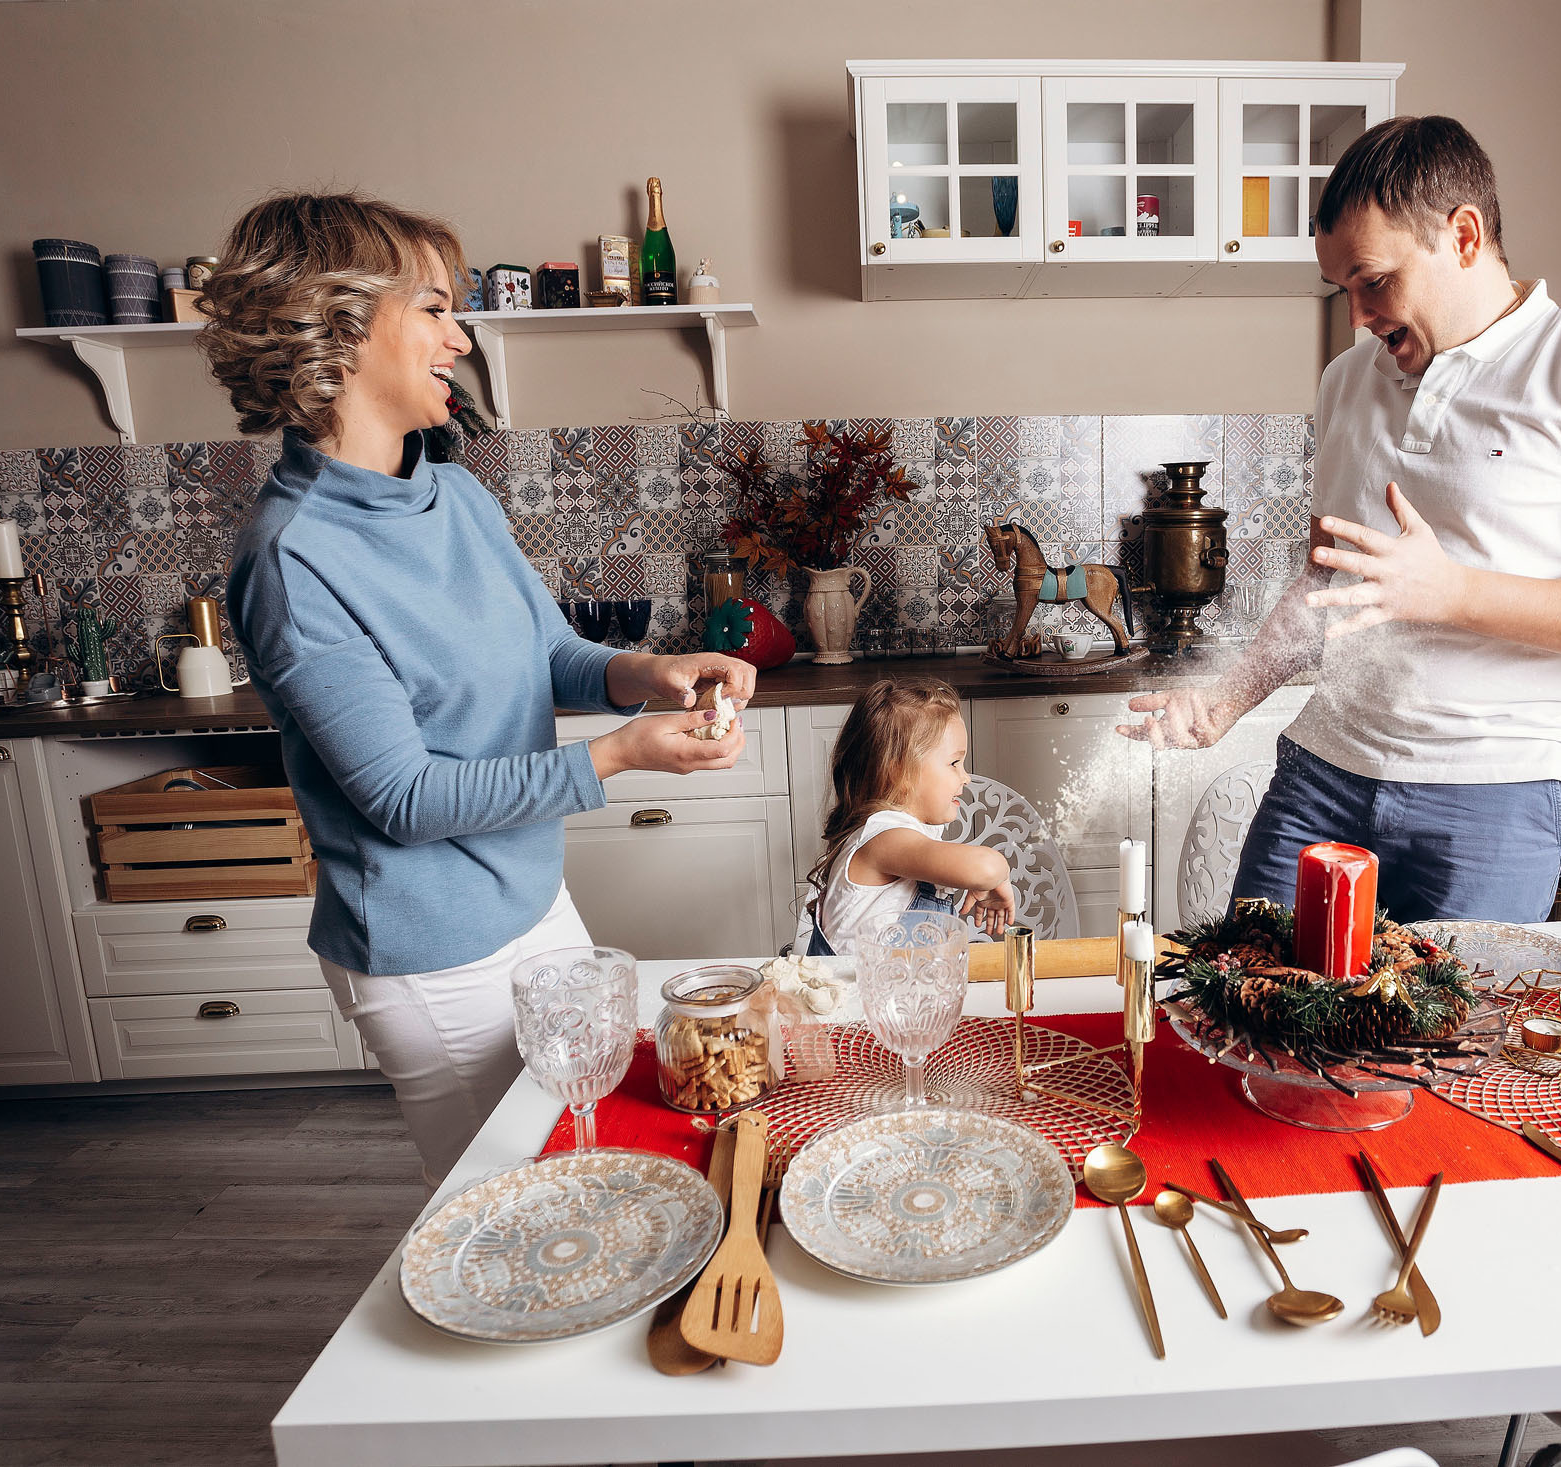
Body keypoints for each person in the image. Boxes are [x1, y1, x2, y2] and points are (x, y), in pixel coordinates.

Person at [202, 192, 758, 1185]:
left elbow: (549, 652)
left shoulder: (454, 493)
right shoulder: (294, 558)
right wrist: (620, 754)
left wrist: (650, 673)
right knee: (514, 1202)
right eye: (433, 309)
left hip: (535, 906)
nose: (460, 339)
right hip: (433, 957)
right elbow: (404, 799)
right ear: (337, 327)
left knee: (594, 1166)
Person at [1121, 116, 1561, 924]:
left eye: (1373, 280)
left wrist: (1452, 592)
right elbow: (1328, 582)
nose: (1358, 315)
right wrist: (1226, 701)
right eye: (1343, 288)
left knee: (1450, 1015)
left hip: (1497, 792)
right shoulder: (1346, 380)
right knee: (1246, 994)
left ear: (1463, 236)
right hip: (1323, 772)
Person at [807, 678, 1014, 955]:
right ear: (899, 772)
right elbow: (985, 868)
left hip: (901, 981)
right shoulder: (885, 839)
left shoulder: (904, 836)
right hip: (858, 984)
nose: (965, 777)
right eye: (954, 763)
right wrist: (1000, 873)